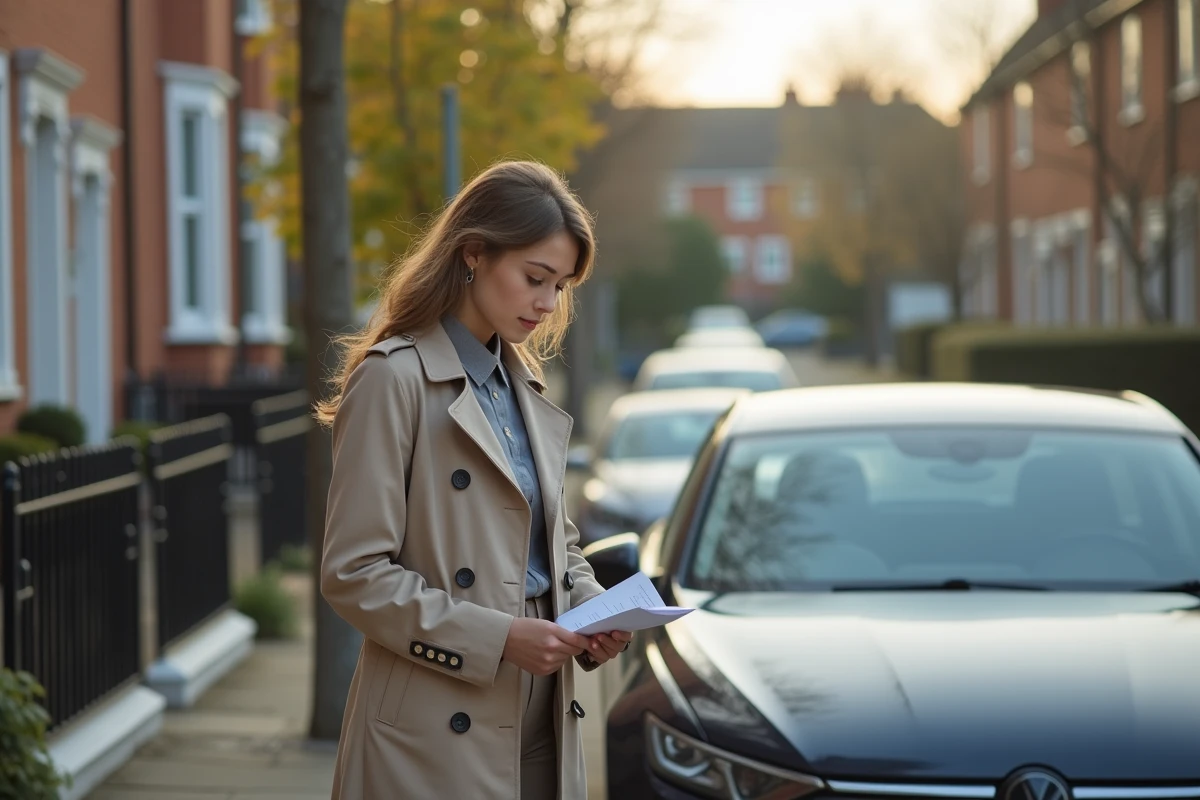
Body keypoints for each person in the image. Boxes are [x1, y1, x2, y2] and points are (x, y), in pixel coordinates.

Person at [316, 160, 632, 800]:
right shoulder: (393, 377)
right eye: (535, 278)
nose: (547, 304)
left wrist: (594, 608)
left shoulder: (524, 385)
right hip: (434, 725)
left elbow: (556, 543)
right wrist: (497, 637)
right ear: (474, 255)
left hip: (545, 709)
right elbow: (353, 573)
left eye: (562, 286)